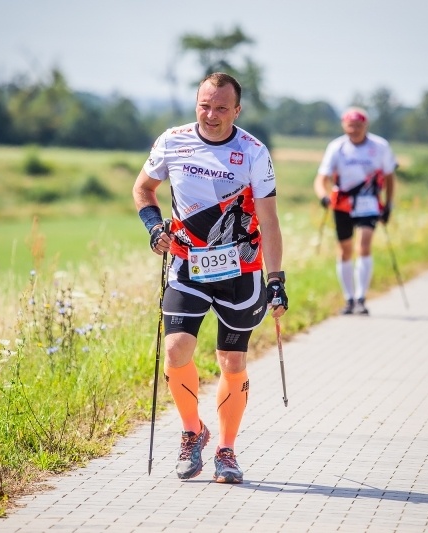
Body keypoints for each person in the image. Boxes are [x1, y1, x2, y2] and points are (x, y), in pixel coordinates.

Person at [132, 72, 288, 484]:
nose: (211, 114)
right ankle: (191, 432)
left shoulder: (253, 151)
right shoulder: (173, 140)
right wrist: (153, 227)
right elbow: (143, 190)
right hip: (188, 267)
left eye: (221, 108)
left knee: (231, 361)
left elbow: (269, 220)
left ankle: (226, 449)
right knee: (177, 350)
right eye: (205, 105)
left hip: (241, 271)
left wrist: (277, 279)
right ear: (195, 103)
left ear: (237, 110)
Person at [313, 107, 396, 316]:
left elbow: (389, 177)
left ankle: (361, 298)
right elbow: (321, 178)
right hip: (342, 204)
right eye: (350, 127)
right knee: (345, 250)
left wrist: (389, 205)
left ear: (365, 126)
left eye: (358, 126)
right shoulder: (336, 147)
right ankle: (349, 299)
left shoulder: (379, 146)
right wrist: (323, 196)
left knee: (364, 245)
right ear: (344, 126)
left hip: (369, 203)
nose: (354, 131)